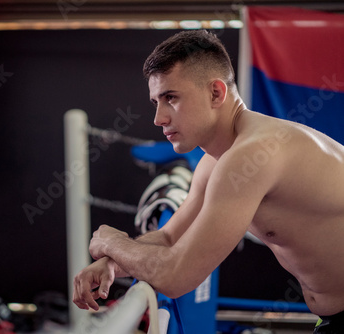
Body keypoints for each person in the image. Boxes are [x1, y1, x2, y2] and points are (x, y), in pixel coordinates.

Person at [72, 30, 344, 333]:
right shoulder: (214, 163)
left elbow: (177, 276)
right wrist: (112, 261)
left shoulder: (253, 154)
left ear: (216, 93)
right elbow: (169, 238)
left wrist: (113, 242)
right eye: (155, 102)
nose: (158, 118)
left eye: (171, 98)